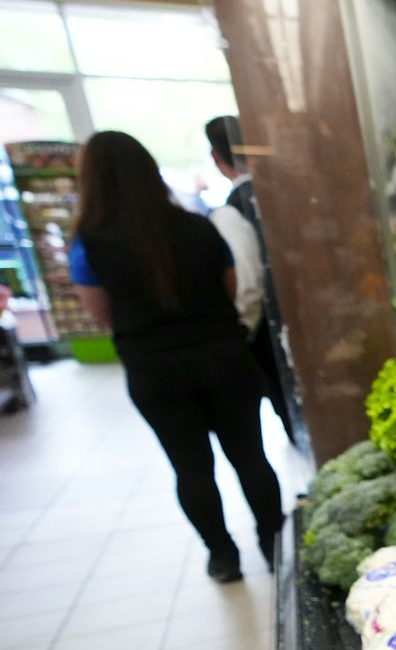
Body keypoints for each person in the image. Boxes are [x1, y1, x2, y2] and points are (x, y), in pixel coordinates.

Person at [70, 130, 284, 582]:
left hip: (154, 370)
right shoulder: (199, 227)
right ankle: (274, 544)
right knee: (250, 456)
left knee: (190, 468)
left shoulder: (89, 243)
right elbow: (231, 286)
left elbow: (98, 312)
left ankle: (222, 557)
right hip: (225, 357)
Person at [205, 115, 291, 436]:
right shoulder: (285, 196)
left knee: (291, 406)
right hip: (306, 323)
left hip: (268, 335)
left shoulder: (230, 212)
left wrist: (241, 334)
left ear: (216, 157)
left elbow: (248, 288)